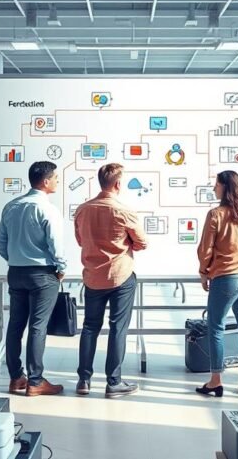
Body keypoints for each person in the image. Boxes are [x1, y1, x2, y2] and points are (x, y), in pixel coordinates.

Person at [73, 163, 147, 398]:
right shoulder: (124, 211)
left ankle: (84, 380)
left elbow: (80, 240)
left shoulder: (82, 210)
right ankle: (113, 382)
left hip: (92, 277)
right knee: (118, 328)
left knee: (89, 327)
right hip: (120, 276)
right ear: (118, 184)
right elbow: (142, 243)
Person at [0, 162, 66, 397]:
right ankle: (35, 382)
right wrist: (61, 268)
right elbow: (56, 245)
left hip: (16, 272)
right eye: (55, 178)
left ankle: (16, 378)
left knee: (15, 324)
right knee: (37, 326)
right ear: (46, 181)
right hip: (42, 274)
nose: (57, 181)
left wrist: (14, 259)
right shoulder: (47, 209)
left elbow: (0, 243)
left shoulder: (11, 206)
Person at [195, 170, 238, 397]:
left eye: (216, 184)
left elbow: (205, 249)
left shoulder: (216, 214)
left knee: (216, 328)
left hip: (227, 278)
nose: (214, 188)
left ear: (225, 187)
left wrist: (204, 272)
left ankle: (215, 380)